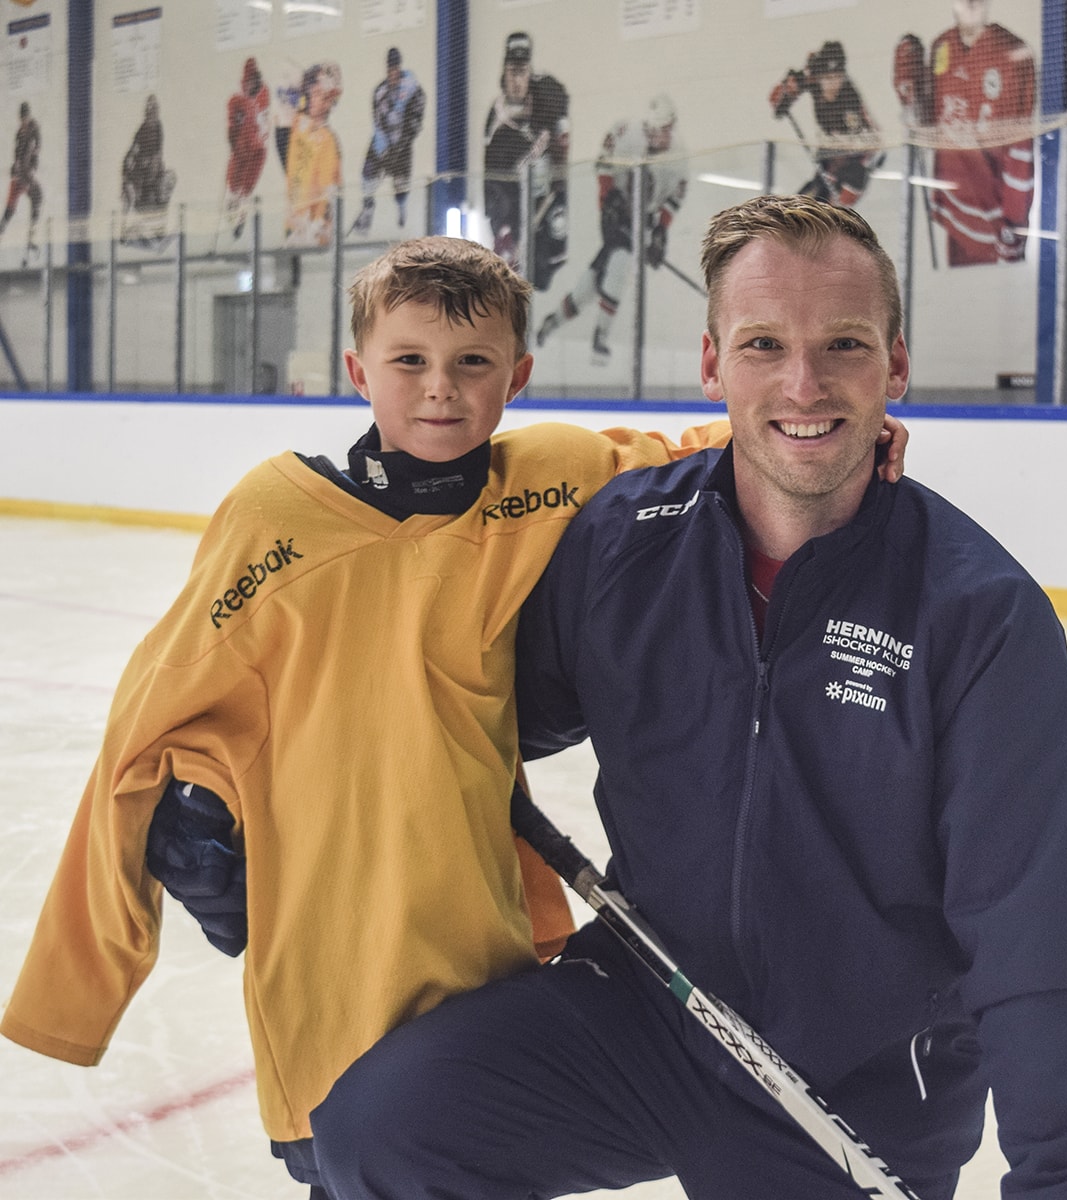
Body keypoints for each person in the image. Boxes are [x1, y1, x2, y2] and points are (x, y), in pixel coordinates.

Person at [2, 237, 907, 1197]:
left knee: (458, 1139)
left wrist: (846, 435)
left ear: (515, 376)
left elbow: (693, 455)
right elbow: (147, 723)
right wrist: (105, 944)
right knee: (352, 1155)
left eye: (472, 362)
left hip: (483, 935)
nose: (442, 388)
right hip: (331, 950)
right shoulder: (275, 517)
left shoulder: (546, 479)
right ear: (358, 371)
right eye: (410, 361)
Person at [309, 196, 1067, 1200]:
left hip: (857, 1080)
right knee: (382, 1133)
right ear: (712, 364)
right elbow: (476, 719)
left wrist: (1066, 1177)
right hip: (651, 1008)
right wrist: (252, 778)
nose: (803, 383)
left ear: (895, 367)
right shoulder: (624, 541)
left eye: (845, 345)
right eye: (764, 343)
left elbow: (1037, 939)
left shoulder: (976, 614)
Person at [536, 93, 687, 363]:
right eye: (653, 129)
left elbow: (673, 200)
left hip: (644, 221)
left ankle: (553, 321)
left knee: (591, 286)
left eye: (663, 130)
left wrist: (661, 233)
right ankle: (601, 336)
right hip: (614, 212)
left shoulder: (679, 157)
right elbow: (603, 165)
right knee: (620, 261)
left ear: (671, 127)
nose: (657, 136)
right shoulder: (626, 133)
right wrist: (607, 202)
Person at [893, 0, 1037, 266]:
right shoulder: (941, 46)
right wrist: (910, 96)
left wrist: (1015, 223)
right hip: (954, 209)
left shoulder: (1012, 52)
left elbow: (1021, 145)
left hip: (993, 219)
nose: (970, 3)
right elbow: (927, 122)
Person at [482, 31, 570, 290]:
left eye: (523, 72)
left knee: (546, 274)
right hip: (518, 210)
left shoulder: (547, 93)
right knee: (519, 281)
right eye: (513, 72)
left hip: (547, 201)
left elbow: (562, 129)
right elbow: (494, 186)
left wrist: (559, 167)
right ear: (504, 73)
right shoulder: (497, 126)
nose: (518, 80)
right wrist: (503, 228)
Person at [769, 40, 884, 207]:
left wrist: (843, 152)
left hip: (856, 157)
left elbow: (869, 142)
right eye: (828, 78)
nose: (833, 83)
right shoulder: (813, 77)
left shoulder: (849, 100)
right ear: (820, 76)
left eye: (838, 77)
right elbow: (790, 87)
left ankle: (832, 218)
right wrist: (785, 95)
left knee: (838, 198)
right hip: (831, 153)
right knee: (807, 198)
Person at [348, 46, 425, 236]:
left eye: (395, 68)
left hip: (402, 146)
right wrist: (381, 142)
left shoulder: (414, 90)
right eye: (390, 68)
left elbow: (416, 120)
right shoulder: (379, 91)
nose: (393, 72)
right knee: (368, 175)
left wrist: (401, 143)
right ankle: (367, 210)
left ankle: (402, 210)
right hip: (381, 144)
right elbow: (376, 119)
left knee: (401, 182)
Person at [282, 61, 344, 247]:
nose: (323, 102)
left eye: (327, 98)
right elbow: (285, 88)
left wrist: (318, 224)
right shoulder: (296, 124)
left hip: (314, 229)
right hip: (294, 223)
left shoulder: (328, 140)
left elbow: (330, 190)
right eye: (317, 94)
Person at [224, 56, 270, 240]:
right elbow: (231, 127)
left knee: (245, 190)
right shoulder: (235, 101)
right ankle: (232, 216)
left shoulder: (263, 95)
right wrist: (233, 140)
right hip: (240, 151)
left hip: (255, 152)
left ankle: (239, 221)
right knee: (233, 187)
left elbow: (263, 127)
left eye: (252, 82)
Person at [120, 94, 176, 245]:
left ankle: (158, 230)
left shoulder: (158, 127)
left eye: (154, 109)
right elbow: (134, 150)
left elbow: (158, 152)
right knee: (131, 191)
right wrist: (130, 165)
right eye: (150, 109)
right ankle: (124, 230)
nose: (152, 112)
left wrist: (153, 164)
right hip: (142, 171)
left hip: (152, 169)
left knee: (166, 185)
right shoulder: (142, 130)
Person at [0, 100, 42, 264]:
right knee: (11, 204)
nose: (23, 121)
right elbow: (17, 152)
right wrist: (15, 167)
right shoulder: (20, 132)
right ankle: (3, 227)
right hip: (19, 174)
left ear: (28, 116)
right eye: (21, 118)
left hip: (25, 173)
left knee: (36, 197)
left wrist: (31, 167)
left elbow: (36, 149)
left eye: (24, 118)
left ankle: (30, 238)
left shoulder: (33, 129)